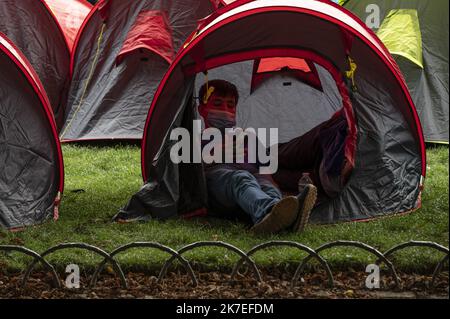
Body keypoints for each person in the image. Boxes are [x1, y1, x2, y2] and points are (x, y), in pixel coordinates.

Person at [198, 79, 319, 234]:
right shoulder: (195, 139)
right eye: (217, 104)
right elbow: (189, 178)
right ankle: (271, 212)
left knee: (265, 184)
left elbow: (266, 174)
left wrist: (273, 187)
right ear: (201, 109)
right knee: (240, 177)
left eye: (230, 105)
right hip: (220, 190)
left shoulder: (248, 138)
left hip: (249, 192)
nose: (225, 110)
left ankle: (277, 216)